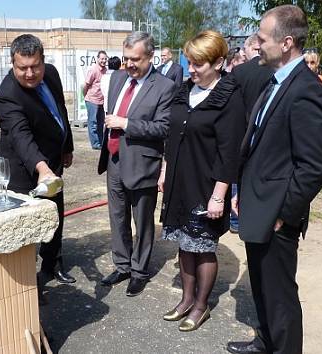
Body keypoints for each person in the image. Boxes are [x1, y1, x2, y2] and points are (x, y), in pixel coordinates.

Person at [227, 5, 322, 354]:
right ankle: (266, 342)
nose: (257, 45)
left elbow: (313, 166)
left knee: (281, 298)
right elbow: (259, 144)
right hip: (257, 205)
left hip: (277, 216)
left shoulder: (308, 89)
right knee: (261, 289)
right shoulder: (275, 80)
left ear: (286, 42)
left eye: (262, 38)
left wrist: (284, 213)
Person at [159, 30, 245, 332]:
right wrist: (165, 170)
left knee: (203, 245)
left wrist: (219, 194)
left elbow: (229, 151)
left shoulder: (229, 97)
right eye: (189, 62)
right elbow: (172, 135)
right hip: (180, 180)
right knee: (184, 243)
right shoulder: (185, 90)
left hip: (207, 184)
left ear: (219, 62)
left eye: (199, 64)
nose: (192, 69)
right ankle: (185, 299)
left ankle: (200, 305)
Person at [97, 32, 176, 297]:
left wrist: (126, 124)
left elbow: (164, 128)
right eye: (127, 58)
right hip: (115, 160)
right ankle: (122, 265)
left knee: (142, 222)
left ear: (150, 57)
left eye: (136, 60)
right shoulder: (119, 78)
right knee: (117, 217)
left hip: (143, 165)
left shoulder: (164, 86)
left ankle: (139, 271)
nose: (129, 64)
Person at [0, 34, 76, 286]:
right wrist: (43, 169)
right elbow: (21, 137)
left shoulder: (50, 74)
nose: (30, 73)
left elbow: (59, 111)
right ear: (12, 63)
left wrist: (67, 147)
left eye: (35, 66)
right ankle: (27, 283)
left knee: (55, 218)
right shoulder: (7, 95)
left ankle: (52, 264)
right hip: (23, 171)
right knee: (26, 228)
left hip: (51, 164)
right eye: (23, 68)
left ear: (43, 61)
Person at [228, 34, 274, 234]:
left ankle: (236, 220)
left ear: (251, 48)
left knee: (237, 176)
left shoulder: (240, 71)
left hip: (240, 132)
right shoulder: (274, 71)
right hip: (264, 135)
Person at [83, 50, 108, 149]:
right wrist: (86, 96)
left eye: (105, 59)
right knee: (92, 123)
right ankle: (95, 144)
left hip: (102, 101)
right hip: (92, 100)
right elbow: (85, 85)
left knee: (101, 123)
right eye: (102, 58)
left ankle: (101, 143)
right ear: (97, 59)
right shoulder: (93, 70)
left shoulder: (106, 70)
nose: (104, 61)